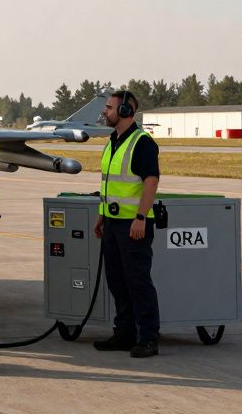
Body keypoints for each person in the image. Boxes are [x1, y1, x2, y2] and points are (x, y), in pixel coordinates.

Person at [92, 89, 161, 358]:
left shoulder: (141, 142)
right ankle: (124, 334)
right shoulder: (113, 142)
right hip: (113, 223)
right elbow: (109, 185)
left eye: (109, 107)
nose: (104, 111)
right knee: (117, 282)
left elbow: (151, 181)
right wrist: (102, 215)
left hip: (133, 225)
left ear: (125, 111)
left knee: (138, 282)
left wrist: (141, 217)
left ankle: (148, 338)